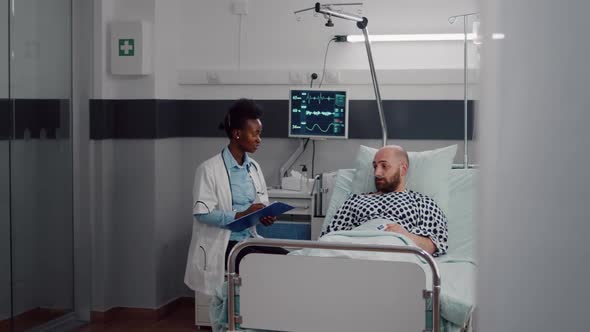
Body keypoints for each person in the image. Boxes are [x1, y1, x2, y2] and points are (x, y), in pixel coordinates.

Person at [184, 98, 288, 296]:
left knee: (288, 260)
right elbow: (202, 214)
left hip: (248, 238)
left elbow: (260, 204)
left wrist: (265, 216)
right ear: (237, 134)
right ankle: (246, 320)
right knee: (259, 268)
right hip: (224, 243)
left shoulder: (254, 168)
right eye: (255, 133)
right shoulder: (209, 169)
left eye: (260, 133)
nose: (259, 139)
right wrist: (240, 215)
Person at [321, 145, 448, 256]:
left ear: (403, 169)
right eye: (375, 166)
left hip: (392, 245)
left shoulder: (422, 202)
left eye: (384, 166)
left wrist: (404, 235)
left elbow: (435, 245)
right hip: (353, 245)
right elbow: (330, 237)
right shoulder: (355, 200)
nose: (377, 172)